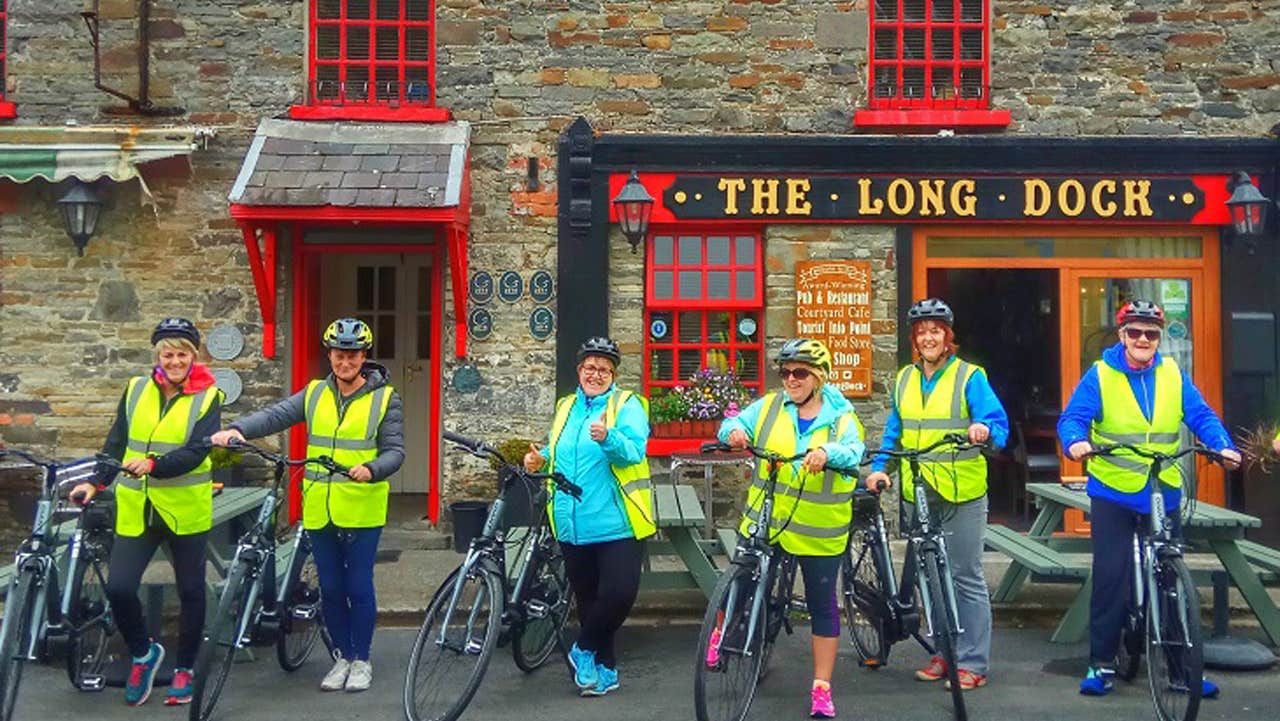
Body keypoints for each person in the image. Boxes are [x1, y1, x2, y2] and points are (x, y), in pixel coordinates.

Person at [209, 318, 404, 693]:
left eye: (352, 355)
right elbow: (276, 415)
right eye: (339, 355)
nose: (345, 362)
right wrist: (239, 429)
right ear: (329, 355)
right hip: (319, 507)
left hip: (362, 506)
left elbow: (396, 451)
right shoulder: (314, 393)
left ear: (364, 357)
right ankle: (341, 658)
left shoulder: (385, 398)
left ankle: (361, 659)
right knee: (330, 588)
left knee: (358, 585)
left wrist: (372, 468)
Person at [1059, 299, 1241, 697]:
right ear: (1122, 335)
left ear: (1159, 339)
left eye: (1151, 334)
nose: (1143, 339)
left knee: (1171, 581)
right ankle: (1101, 664)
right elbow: (1072, 418)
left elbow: (1201, 416)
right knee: (1111, 575)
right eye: (1135, 332)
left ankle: (1180, 672)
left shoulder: (1174, 374)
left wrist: (1222, 446)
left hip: (1163, 491)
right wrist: (1076, 442)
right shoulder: (1101, 375)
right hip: (1114, 492)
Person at [70, 318, 223, 707]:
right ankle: (143, 653)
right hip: (137, 507)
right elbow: (117, 442)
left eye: (182, 354)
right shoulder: (137, 389)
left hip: (184, 509)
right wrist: (95, 482)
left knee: (191, 591)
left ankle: (185, 668)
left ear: (194, 356)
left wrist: (155, 465)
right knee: (120, 586)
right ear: (157, 356)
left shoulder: (208, 397)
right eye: (167, 354)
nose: (174, 361)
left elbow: (197, 452)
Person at [716, 338, 865, 719]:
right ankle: (720, 635)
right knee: (737, 581)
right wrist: (732, 432)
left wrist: (827, 454)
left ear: (818, 377)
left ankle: (821, 688)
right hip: (768, 522)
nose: (790, 379)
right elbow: (733, 421)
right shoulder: (769, 407)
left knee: (821, 607)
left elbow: (854, 450)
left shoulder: (842, 417)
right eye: (785, 372)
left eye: (799, 373)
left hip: (818, 532)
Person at [864, 298, 1008, 693]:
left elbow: (997, 423)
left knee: (965, 575)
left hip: (962, 491)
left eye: (936, 331)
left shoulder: (970, 377)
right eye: (922, 332)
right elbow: (896, 430)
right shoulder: (906, 379)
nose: (929, 337)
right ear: (915, 339)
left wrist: (984, 430)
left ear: (948, 337)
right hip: (919, 490)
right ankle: (945, 652)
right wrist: (880, 468)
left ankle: (973, 661)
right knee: (930, 576)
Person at [522, 336, 653, 697]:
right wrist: (540, 457)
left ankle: (583, 647)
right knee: (589, 598)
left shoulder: (627, 405)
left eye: (604, 369)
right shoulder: (566, 406)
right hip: (570, 521)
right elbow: (562, 448)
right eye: (590, 367)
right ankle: (603, 670)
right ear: (579, 370)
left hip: (616, 520)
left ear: (613, 375)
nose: (596, 374)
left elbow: (634, 452)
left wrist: (609, 437)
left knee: (619, 593)